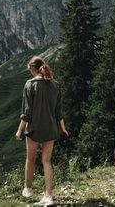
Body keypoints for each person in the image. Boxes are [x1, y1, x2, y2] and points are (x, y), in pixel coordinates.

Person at [16, 55, 68, 206]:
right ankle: (48, 196)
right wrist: (63, 128)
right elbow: (59, 112)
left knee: (30, 158)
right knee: (46, 161)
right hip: (51, 129)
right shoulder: (55, 85)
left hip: (34, 128)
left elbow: (26, 113)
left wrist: (19, 131)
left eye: (30, 71)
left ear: (33, 69)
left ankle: (28, 189)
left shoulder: (30, 84)